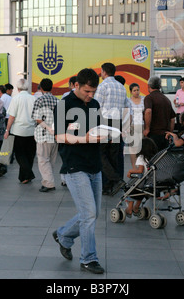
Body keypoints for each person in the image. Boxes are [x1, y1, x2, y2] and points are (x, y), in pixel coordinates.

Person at [52, 68, 105, 274]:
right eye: (87, 91)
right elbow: (58, 136)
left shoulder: (95, 104)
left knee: (92, 213)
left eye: (93, 91)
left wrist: (107, 133)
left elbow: (95, 130)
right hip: (74, 166)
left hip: (94, 165)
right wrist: (86, 138)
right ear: (76, 86)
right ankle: (88, 259)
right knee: (89, 213)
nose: (90, 96)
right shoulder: (64, 105)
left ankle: (64, 235)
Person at [94, 62, 131, 195]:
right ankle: (111, 185)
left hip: (104, 122)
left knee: (101, 153)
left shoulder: (103, 86)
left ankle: (113, 180)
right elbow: (128, 106)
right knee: (113, 154)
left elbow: (96, 106)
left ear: (104, 72)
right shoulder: (121, 87)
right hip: (117, 122)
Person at [4, 79, 36, 184]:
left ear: (17, 88)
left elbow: (11, 117)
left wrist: (7, 130)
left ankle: (28, 174)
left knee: (20, 154)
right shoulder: (33, 98)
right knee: (30, 154)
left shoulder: (15, 99)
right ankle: (24, 177)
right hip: (32, 131)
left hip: (19, 131)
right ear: (27, 87)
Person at [32, 78, 59, 193]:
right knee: (51, 161)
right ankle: (47, 180)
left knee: (43, 160)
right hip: (55, 136)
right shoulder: (58, 101)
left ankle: (49, 183)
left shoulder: (39, 100)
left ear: (41, 88)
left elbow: (36, 117)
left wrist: (47, 127)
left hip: (43, 135)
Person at [125, 137, 158, 217]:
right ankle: (136, 208)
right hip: (154, 181)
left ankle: (130, 208)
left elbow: (140, 171)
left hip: (145, 181)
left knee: (132, 187)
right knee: (141, 192)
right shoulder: (156, 157)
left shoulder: (141, 157)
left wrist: (130, 171)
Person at [143, 76, 176, 150]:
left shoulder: (149, 98)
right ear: (160, 86)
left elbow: (148, 111)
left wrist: (147, 129)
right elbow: (173, 119)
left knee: (153, 158)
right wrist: (170, 132)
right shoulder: (166, 99)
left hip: (153, 134)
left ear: (148, 86)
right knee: (162, 159)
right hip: (165, 135)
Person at [128, 83, 145, 170]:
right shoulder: (128, 101)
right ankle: (134, 168)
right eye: (134, 90)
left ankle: (141, 167)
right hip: (132, 126)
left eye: (138, 90)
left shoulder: (143, 99)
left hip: (142, 126)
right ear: (131, 92)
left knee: (141, 147)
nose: (137, 92)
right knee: (133, 149)